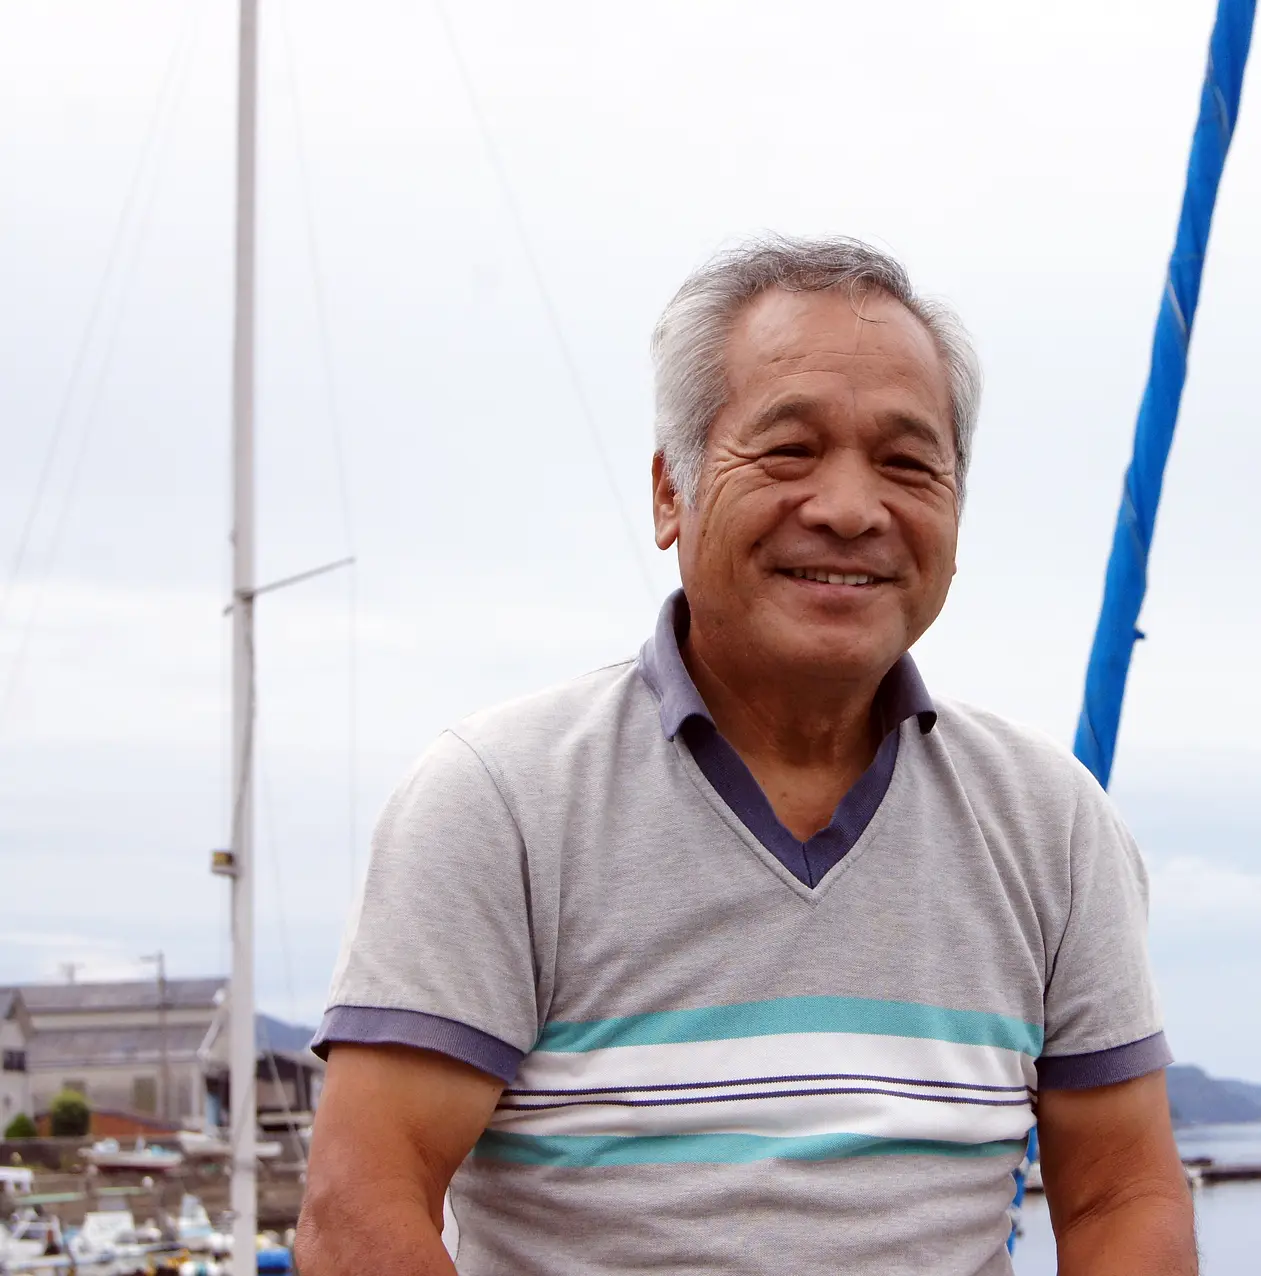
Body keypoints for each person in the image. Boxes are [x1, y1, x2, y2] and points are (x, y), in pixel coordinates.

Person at [297, 236, 1196, 1275]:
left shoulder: (1051, 822)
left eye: (908, 463)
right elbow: (360, 1205)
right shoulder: (502, 801)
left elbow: (1124, 1192)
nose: (851, 509)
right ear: (669, 494)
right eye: (788, 450)